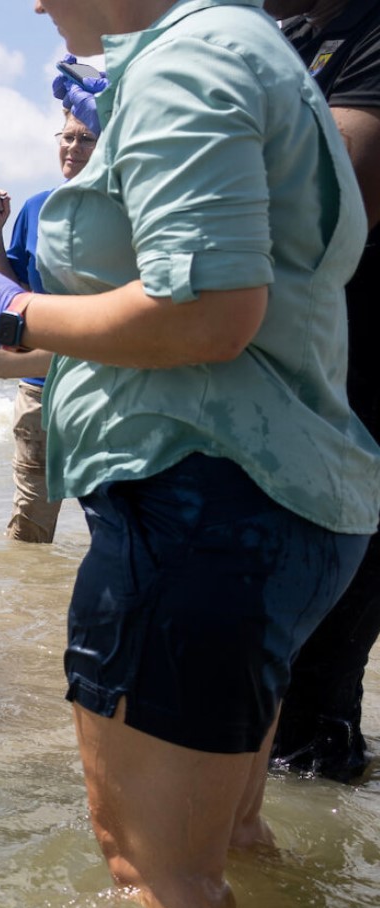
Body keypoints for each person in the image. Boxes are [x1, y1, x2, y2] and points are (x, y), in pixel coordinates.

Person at [0, 0, 380, 908]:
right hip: (274, 504)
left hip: (197, 508)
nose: (33, 4)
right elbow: (202, 325)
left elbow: (204, 314)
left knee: (154, 879)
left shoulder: (187, 63)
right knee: (228, 842)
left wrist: (13, 316)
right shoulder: (238, 48)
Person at [266, 0, 380, 784]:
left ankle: (321, 878)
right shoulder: (292, 37)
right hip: (292, 391)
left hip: (362, 402)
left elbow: (338, 205)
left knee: (317, 694)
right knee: (262, 669)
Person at [0, 58, 105, 543]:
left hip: (106, 386)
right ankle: (26, 613)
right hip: (39, 388)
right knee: (30, 526)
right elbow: (13, 299)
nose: (72, 146)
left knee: (115, 523)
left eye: (85, 138)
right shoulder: (37, 208)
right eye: (66, 137)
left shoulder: (124, 209)